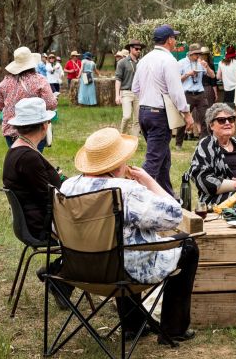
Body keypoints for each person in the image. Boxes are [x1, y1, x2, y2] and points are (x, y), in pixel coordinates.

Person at [61, 127, 199, 343]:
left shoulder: (67, 187)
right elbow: (173, 216)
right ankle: (173, 329)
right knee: (188, 247)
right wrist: (149, 181)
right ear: (117, 164)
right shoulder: (126, 190)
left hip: (79, 269)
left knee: (125, 244)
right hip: (122, 272)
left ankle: (133, 325)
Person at [1, 97, 70, 307]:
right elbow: (48, 198)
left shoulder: (20, 150)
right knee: (98, 234)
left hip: (36, 219)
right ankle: (58, 276)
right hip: (40, 225)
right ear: (43, 126)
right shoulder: (27, 157)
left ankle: (58, 276)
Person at [132, 25, 193, 195]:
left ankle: (167, 197)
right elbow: (176, 91)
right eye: (174, 38)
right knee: (153, 162)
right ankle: (134, 196)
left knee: (163, 160)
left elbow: (135, 88)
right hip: (159, 114)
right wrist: (186, 114)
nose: (175, 41)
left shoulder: (144, 60)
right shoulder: (169, 60)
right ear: (169, 40)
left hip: (144, 111)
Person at [0, 46, 57, 151]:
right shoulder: (40, 80)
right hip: (35, 129)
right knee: (34, 161)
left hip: (11, 130)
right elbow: (51, 104)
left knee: (17, 159)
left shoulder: (4, 83)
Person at [175, 43, 215, 147]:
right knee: (184, 119)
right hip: (187, 94)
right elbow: (176, 80)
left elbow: (212, 75)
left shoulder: (201, 63)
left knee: (206, 118)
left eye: (199, 54)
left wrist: (207, 67)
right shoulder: (181, 63)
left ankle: (203, 143)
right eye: (196, 54)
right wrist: (188, 74)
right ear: (190, 54)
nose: (198, 56)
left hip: (200, 93)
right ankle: (179, 143)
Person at [115, 39, 142, 136]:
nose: (139, 50)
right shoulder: (122, 62)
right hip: (126, 92)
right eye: (136, 49)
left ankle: (134, 140)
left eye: (140, 49)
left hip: (138, 94)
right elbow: (118, 79)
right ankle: (122, 136)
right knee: (126, 116)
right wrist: (117, 95)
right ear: (131, 49)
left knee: (138, 119)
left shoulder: (141, 63)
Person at [217, 46, 236, 136]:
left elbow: (218, 77)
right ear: (235, 54)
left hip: (226, 90)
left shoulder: (221, 63)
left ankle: (228, 132)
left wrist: (225, 79)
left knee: (227, 113)